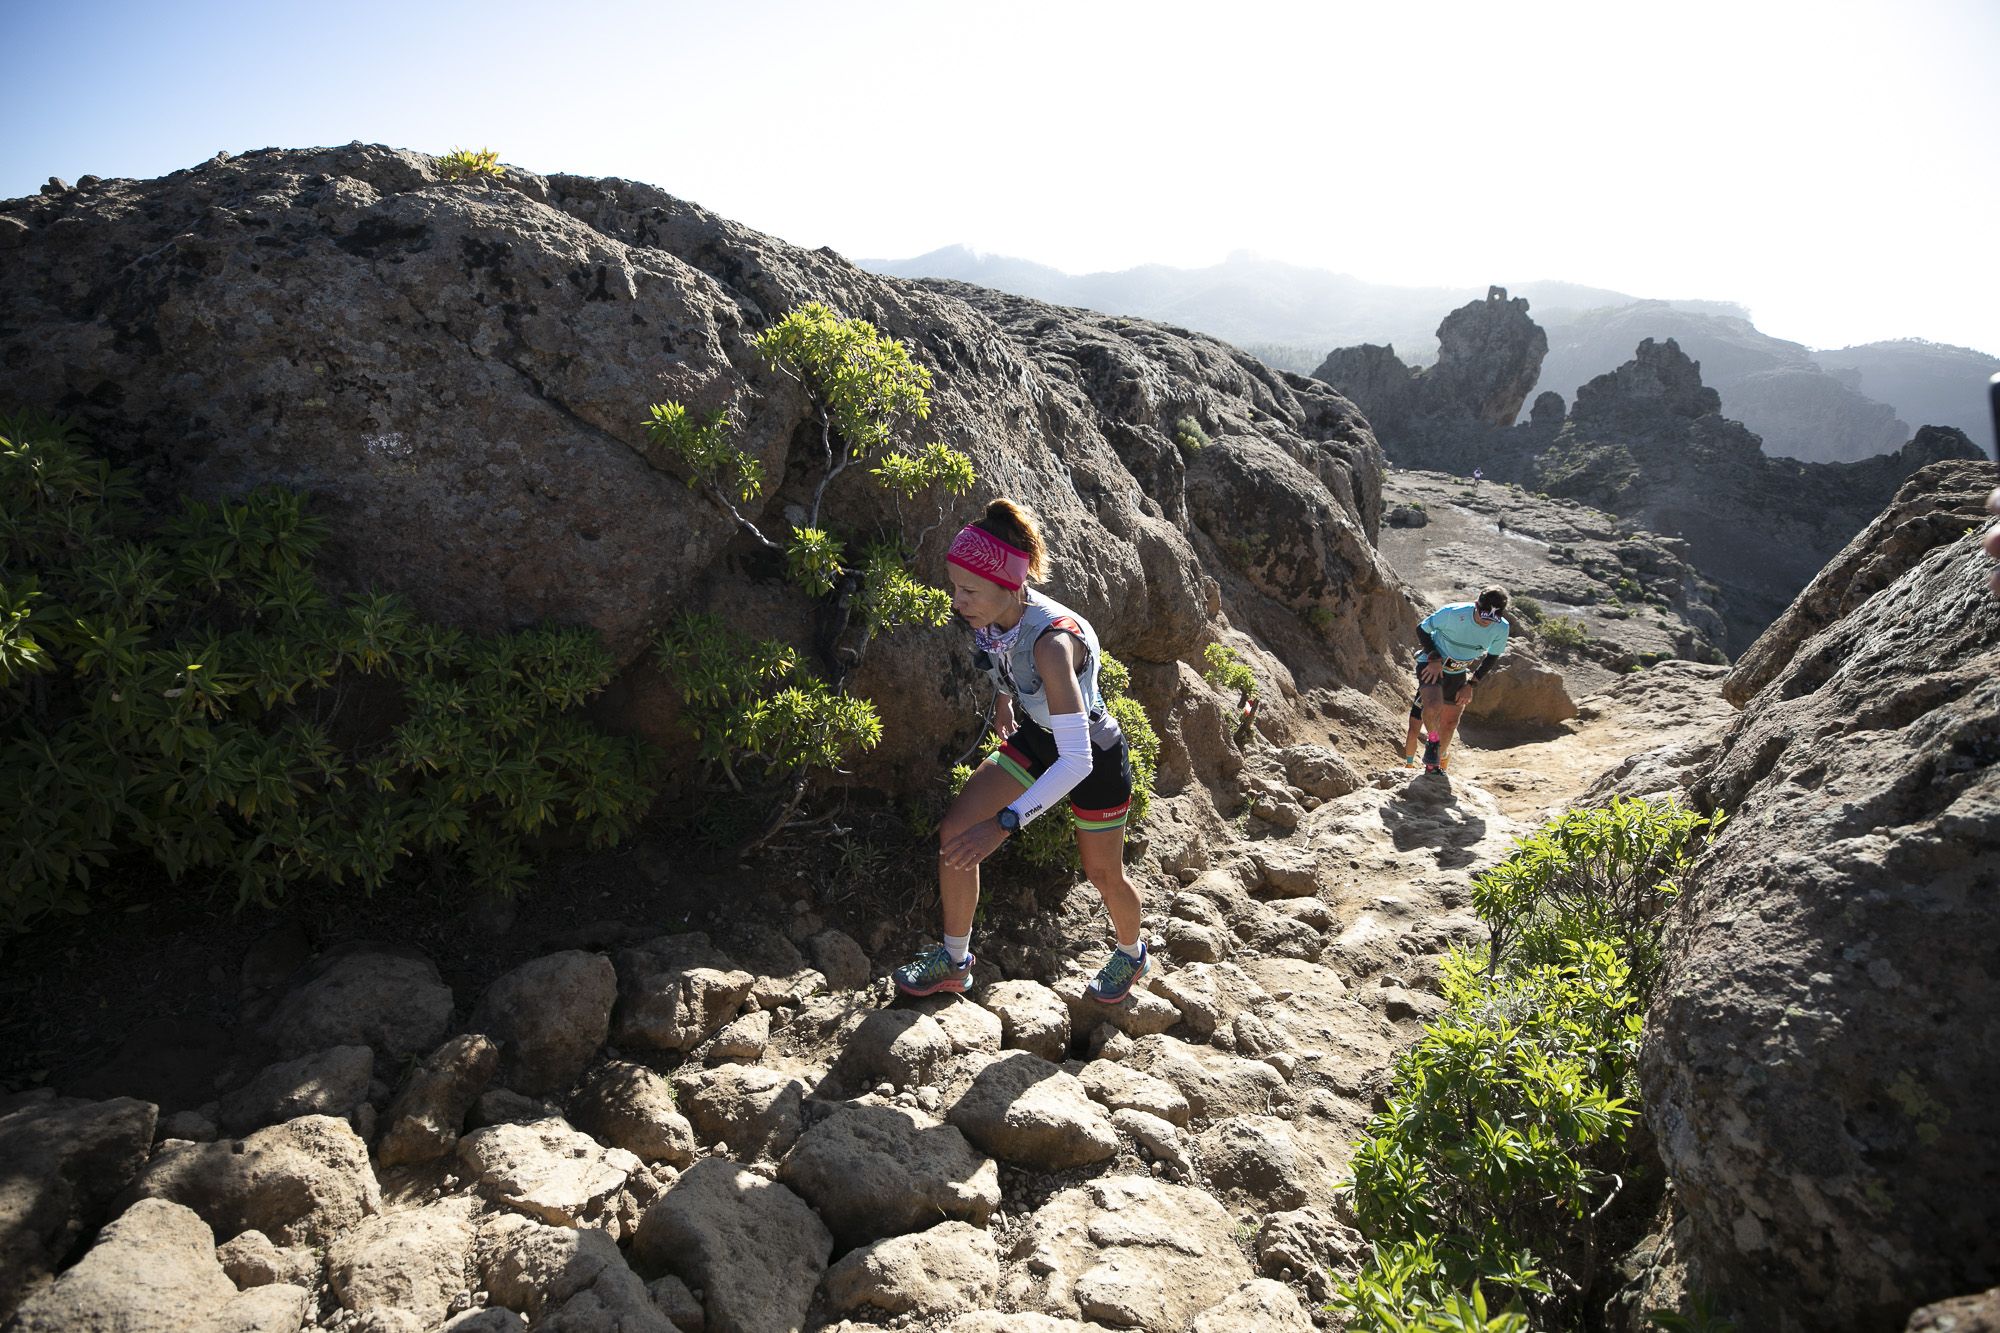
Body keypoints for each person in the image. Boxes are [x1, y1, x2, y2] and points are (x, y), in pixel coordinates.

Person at [893, 500, 1147, 1004]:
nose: (957, 601)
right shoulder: (994, 614)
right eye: (954, 586)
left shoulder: (1053, 644)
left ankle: (1132, 951)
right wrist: (1007, 700)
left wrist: (1003, 825)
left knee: (1102, 873)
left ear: (1010, 585)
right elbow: (1002, 653)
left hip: (1089, 752)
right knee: (955, 833)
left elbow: (1076, 761)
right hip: (1037, 735)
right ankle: (954, 960)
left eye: (968, 590)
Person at [1401, 586, 1511, 775]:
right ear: (1476, 605)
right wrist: (1434, 657)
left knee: (1450, 723)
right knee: (1433, 706)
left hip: (1458, 672)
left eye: (1492, 618)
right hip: (1432, 666)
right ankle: (1433, 743)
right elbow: (1422, 629)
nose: (1486, 621)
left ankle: (1437, 763)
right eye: (1483, 614)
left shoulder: (1502, 627)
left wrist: (1471, 684)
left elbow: (1491, 657)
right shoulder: (1453, 613)